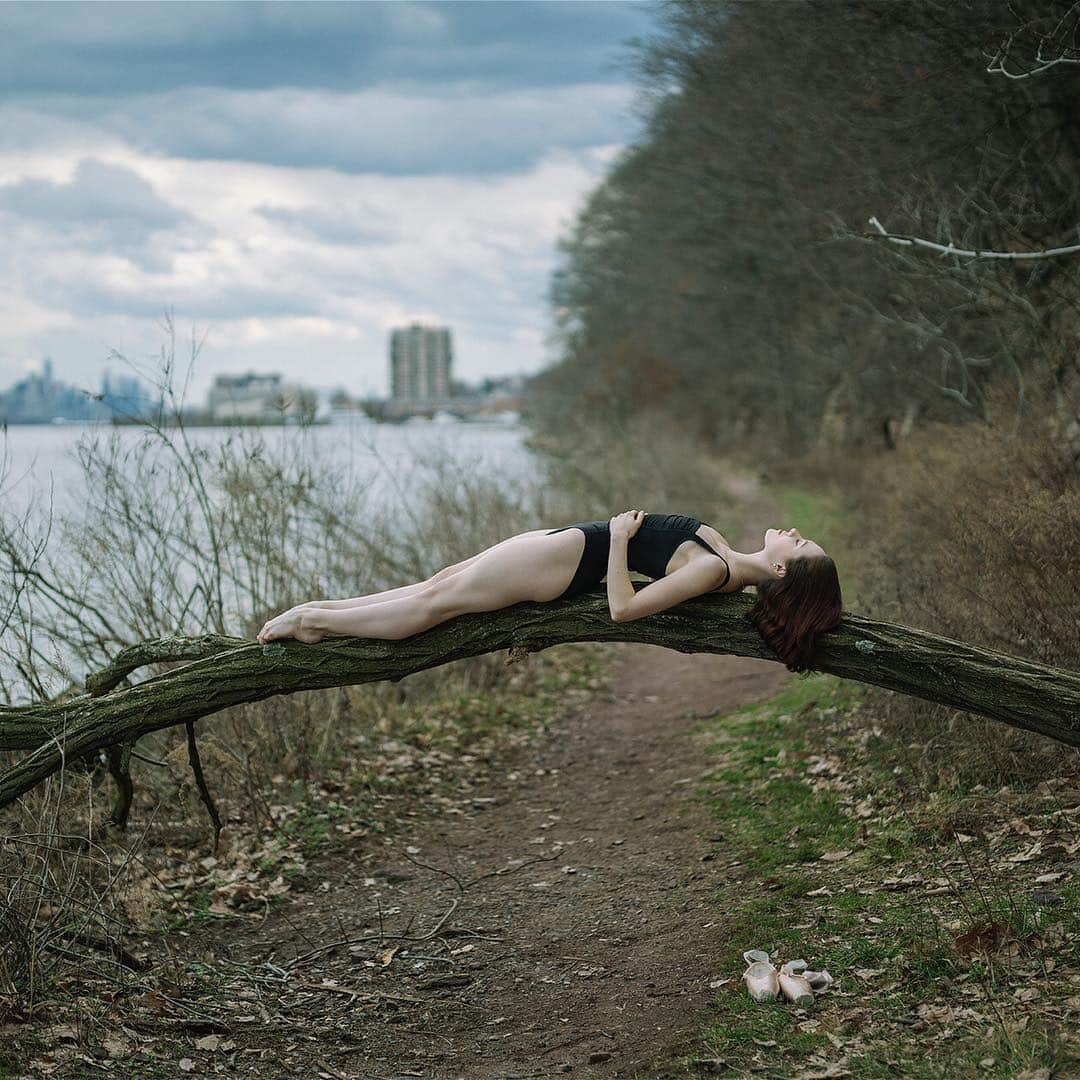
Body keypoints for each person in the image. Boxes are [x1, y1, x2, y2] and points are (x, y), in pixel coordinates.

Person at [256, 510, 843, 672]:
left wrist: (616, 539)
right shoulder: (728, 562)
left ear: (786, 572)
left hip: (565, 563)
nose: (795, 532)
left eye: (801, 544)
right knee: (435, 586)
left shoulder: (715, 572)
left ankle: (315, 624)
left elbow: (624, 609)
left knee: (435, 602)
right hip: (563, 548)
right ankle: (318, 611)